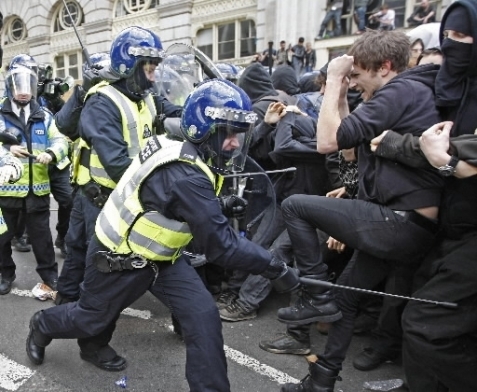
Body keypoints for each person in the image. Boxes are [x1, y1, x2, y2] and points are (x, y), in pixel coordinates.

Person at [25, 78, 299, 392]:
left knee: (203, 317)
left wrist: (217, 204)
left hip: (163, 256)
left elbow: (168, 201)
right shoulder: (186, 175)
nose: (235, 143)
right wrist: (275, 267)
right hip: (119, 256)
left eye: (239, 134)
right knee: (91, 318)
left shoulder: (180, 147)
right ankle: (42, 325)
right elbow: (223, 247)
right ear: (202, 129)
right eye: (229, 133)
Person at [277, 30, 445, 391]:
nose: (354, 83)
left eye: (358, 75)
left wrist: (335, 76)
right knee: (346, 299)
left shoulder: (400, 91)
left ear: (384, 67)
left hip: (398, 222)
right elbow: (348, 138)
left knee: (294, 206)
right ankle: (320, 382)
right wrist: (337, 92)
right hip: (407, 223)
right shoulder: (407, 93)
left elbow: (326, 142)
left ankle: (314, 296)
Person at [371, 2, 477, 390]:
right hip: (453, 226)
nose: (453, 46)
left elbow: (457, 153)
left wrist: (400, 145)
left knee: (426, 323)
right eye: (448, 36)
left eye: (464, 37)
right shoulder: (448, 84)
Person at [0, 54, 69, 295]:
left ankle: (51, 277)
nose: (23, 92)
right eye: (18, 86)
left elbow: (61, 140)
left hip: (37, 190)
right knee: (2, 238)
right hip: (6, 190)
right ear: (10, 86)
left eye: (27, 86)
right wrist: (7, 149)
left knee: (42, 241)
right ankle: (5, 274)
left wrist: (51, 152)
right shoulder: (0, 114)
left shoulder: (44, 115)